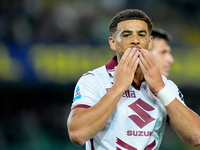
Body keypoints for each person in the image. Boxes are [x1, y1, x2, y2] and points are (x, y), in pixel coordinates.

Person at [67, 9, 200, 150]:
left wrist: (160, 89)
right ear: (112, 43)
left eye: (141, 35)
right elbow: (78, 135)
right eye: (127, 35)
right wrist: (117, 88)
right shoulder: (94, 80)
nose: (135, 41)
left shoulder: (165, 85)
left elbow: (196, 136)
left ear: (149, 42)